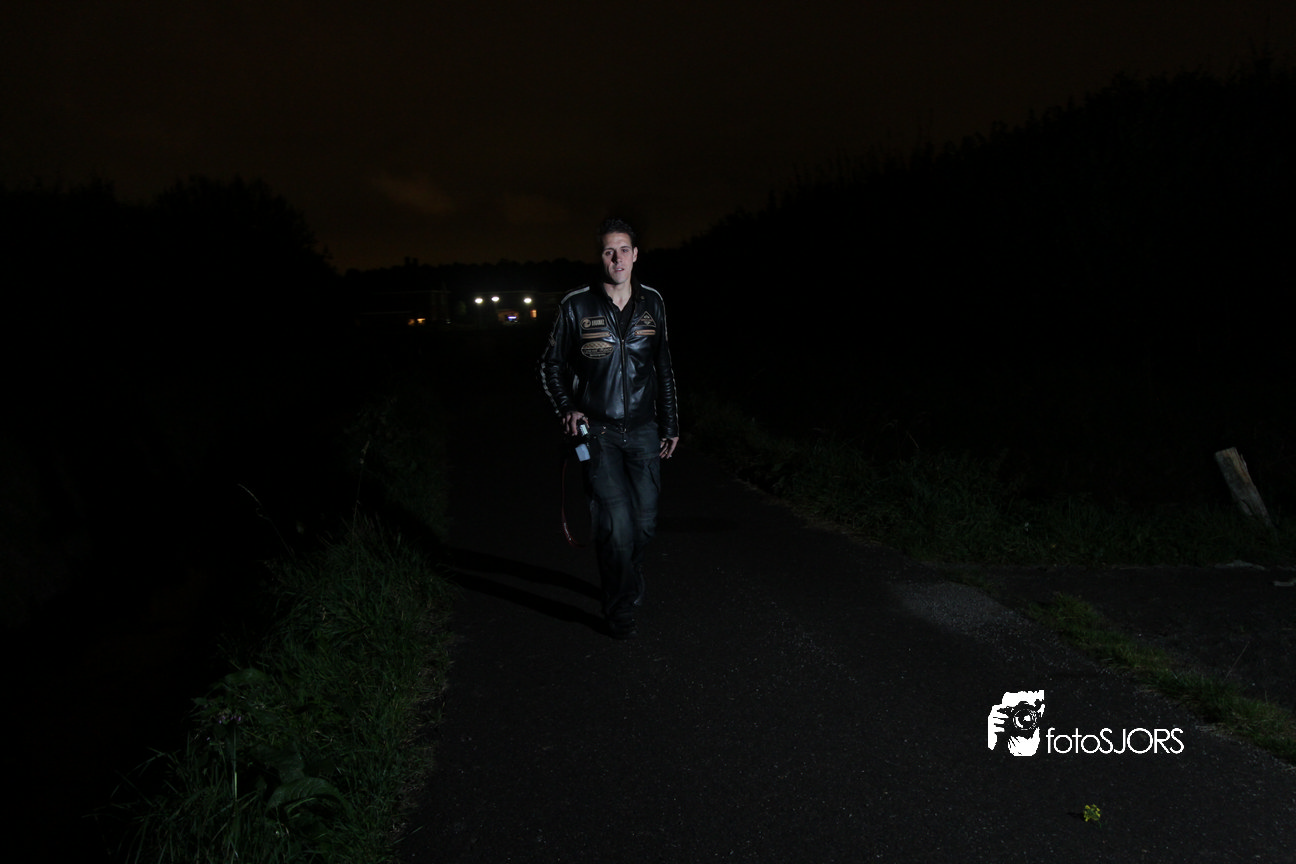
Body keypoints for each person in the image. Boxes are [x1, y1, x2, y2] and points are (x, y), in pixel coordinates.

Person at [539, 218, 679, 639]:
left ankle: (628, 572)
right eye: (608, 251)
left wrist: (670, 422)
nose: (616, 259)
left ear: (635, 255)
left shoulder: (653, 302)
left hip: (644, 429)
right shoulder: (576, 305)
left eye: (623, 250)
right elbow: (550, 365)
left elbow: (663, 366)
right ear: (599, 257)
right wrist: (568, 408)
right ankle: (619, 609)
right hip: (597, 432)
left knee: (645, 523)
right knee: (616, 525)